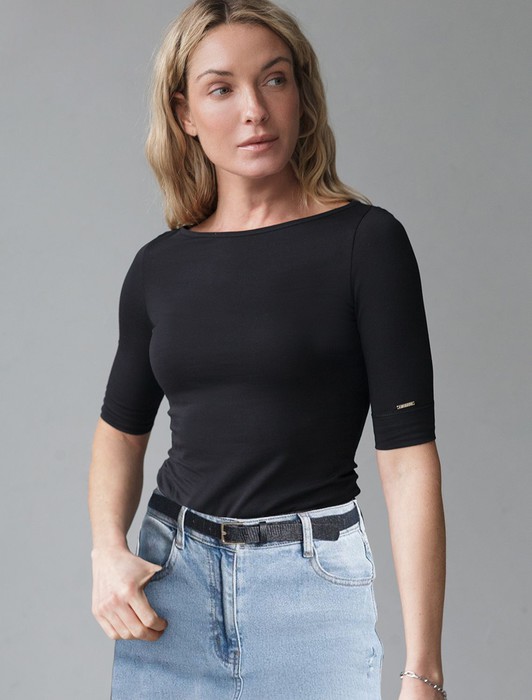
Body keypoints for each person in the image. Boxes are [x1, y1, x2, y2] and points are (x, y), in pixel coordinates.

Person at [88, 1, 447, 698]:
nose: (254, 110)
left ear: (301, 93)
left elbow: (407, 461)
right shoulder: (159, 267)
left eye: (274, 80)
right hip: (173, 586)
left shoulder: (366, 244)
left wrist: (423, 670)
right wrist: (107, 549)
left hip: (312, 589)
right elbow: (120, 430)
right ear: (186, 113)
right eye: (222, 88)